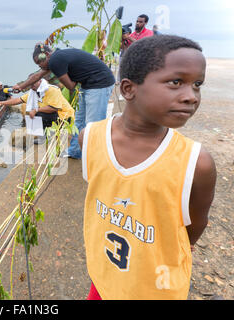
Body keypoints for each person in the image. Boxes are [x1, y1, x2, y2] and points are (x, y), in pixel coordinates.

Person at [78, 35, 216, 300]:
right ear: (128, 89)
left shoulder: (196, 163)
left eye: (197, 85)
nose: (191, 97)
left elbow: (194, 226)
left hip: (157, 288)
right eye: (176, 82)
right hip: (104, 274)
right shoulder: (91, 138)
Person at [13, 43, 115, 158]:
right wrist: (21, 87)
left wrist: (73, 76)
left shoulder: (55, 61)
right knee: (79, 121)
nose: (40, 66)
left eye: (40, 62)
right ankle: (75, 152)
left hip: (99, 84)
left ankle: (96, 157)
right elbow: (36, 76)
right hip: (87, 85)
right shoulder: (56, 58)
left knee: (93, 124)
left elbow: (71, 86)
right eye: (37, 63)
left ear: (46, 55)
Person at [0, 78, 74, 128]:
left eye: (34, 83)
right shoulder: (33, 92)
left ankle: (44, 135)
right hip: (55, 115)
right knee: (35, 113)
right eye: (30, 84)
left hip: (65, 117)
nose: (32, 85)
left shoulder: (52, 90)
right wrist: (2, 102)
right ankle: (43, 135)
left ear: (40, 81)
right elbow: (18, 100)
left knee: (37, 113)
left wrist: (36, 110)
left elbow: (54, 108)